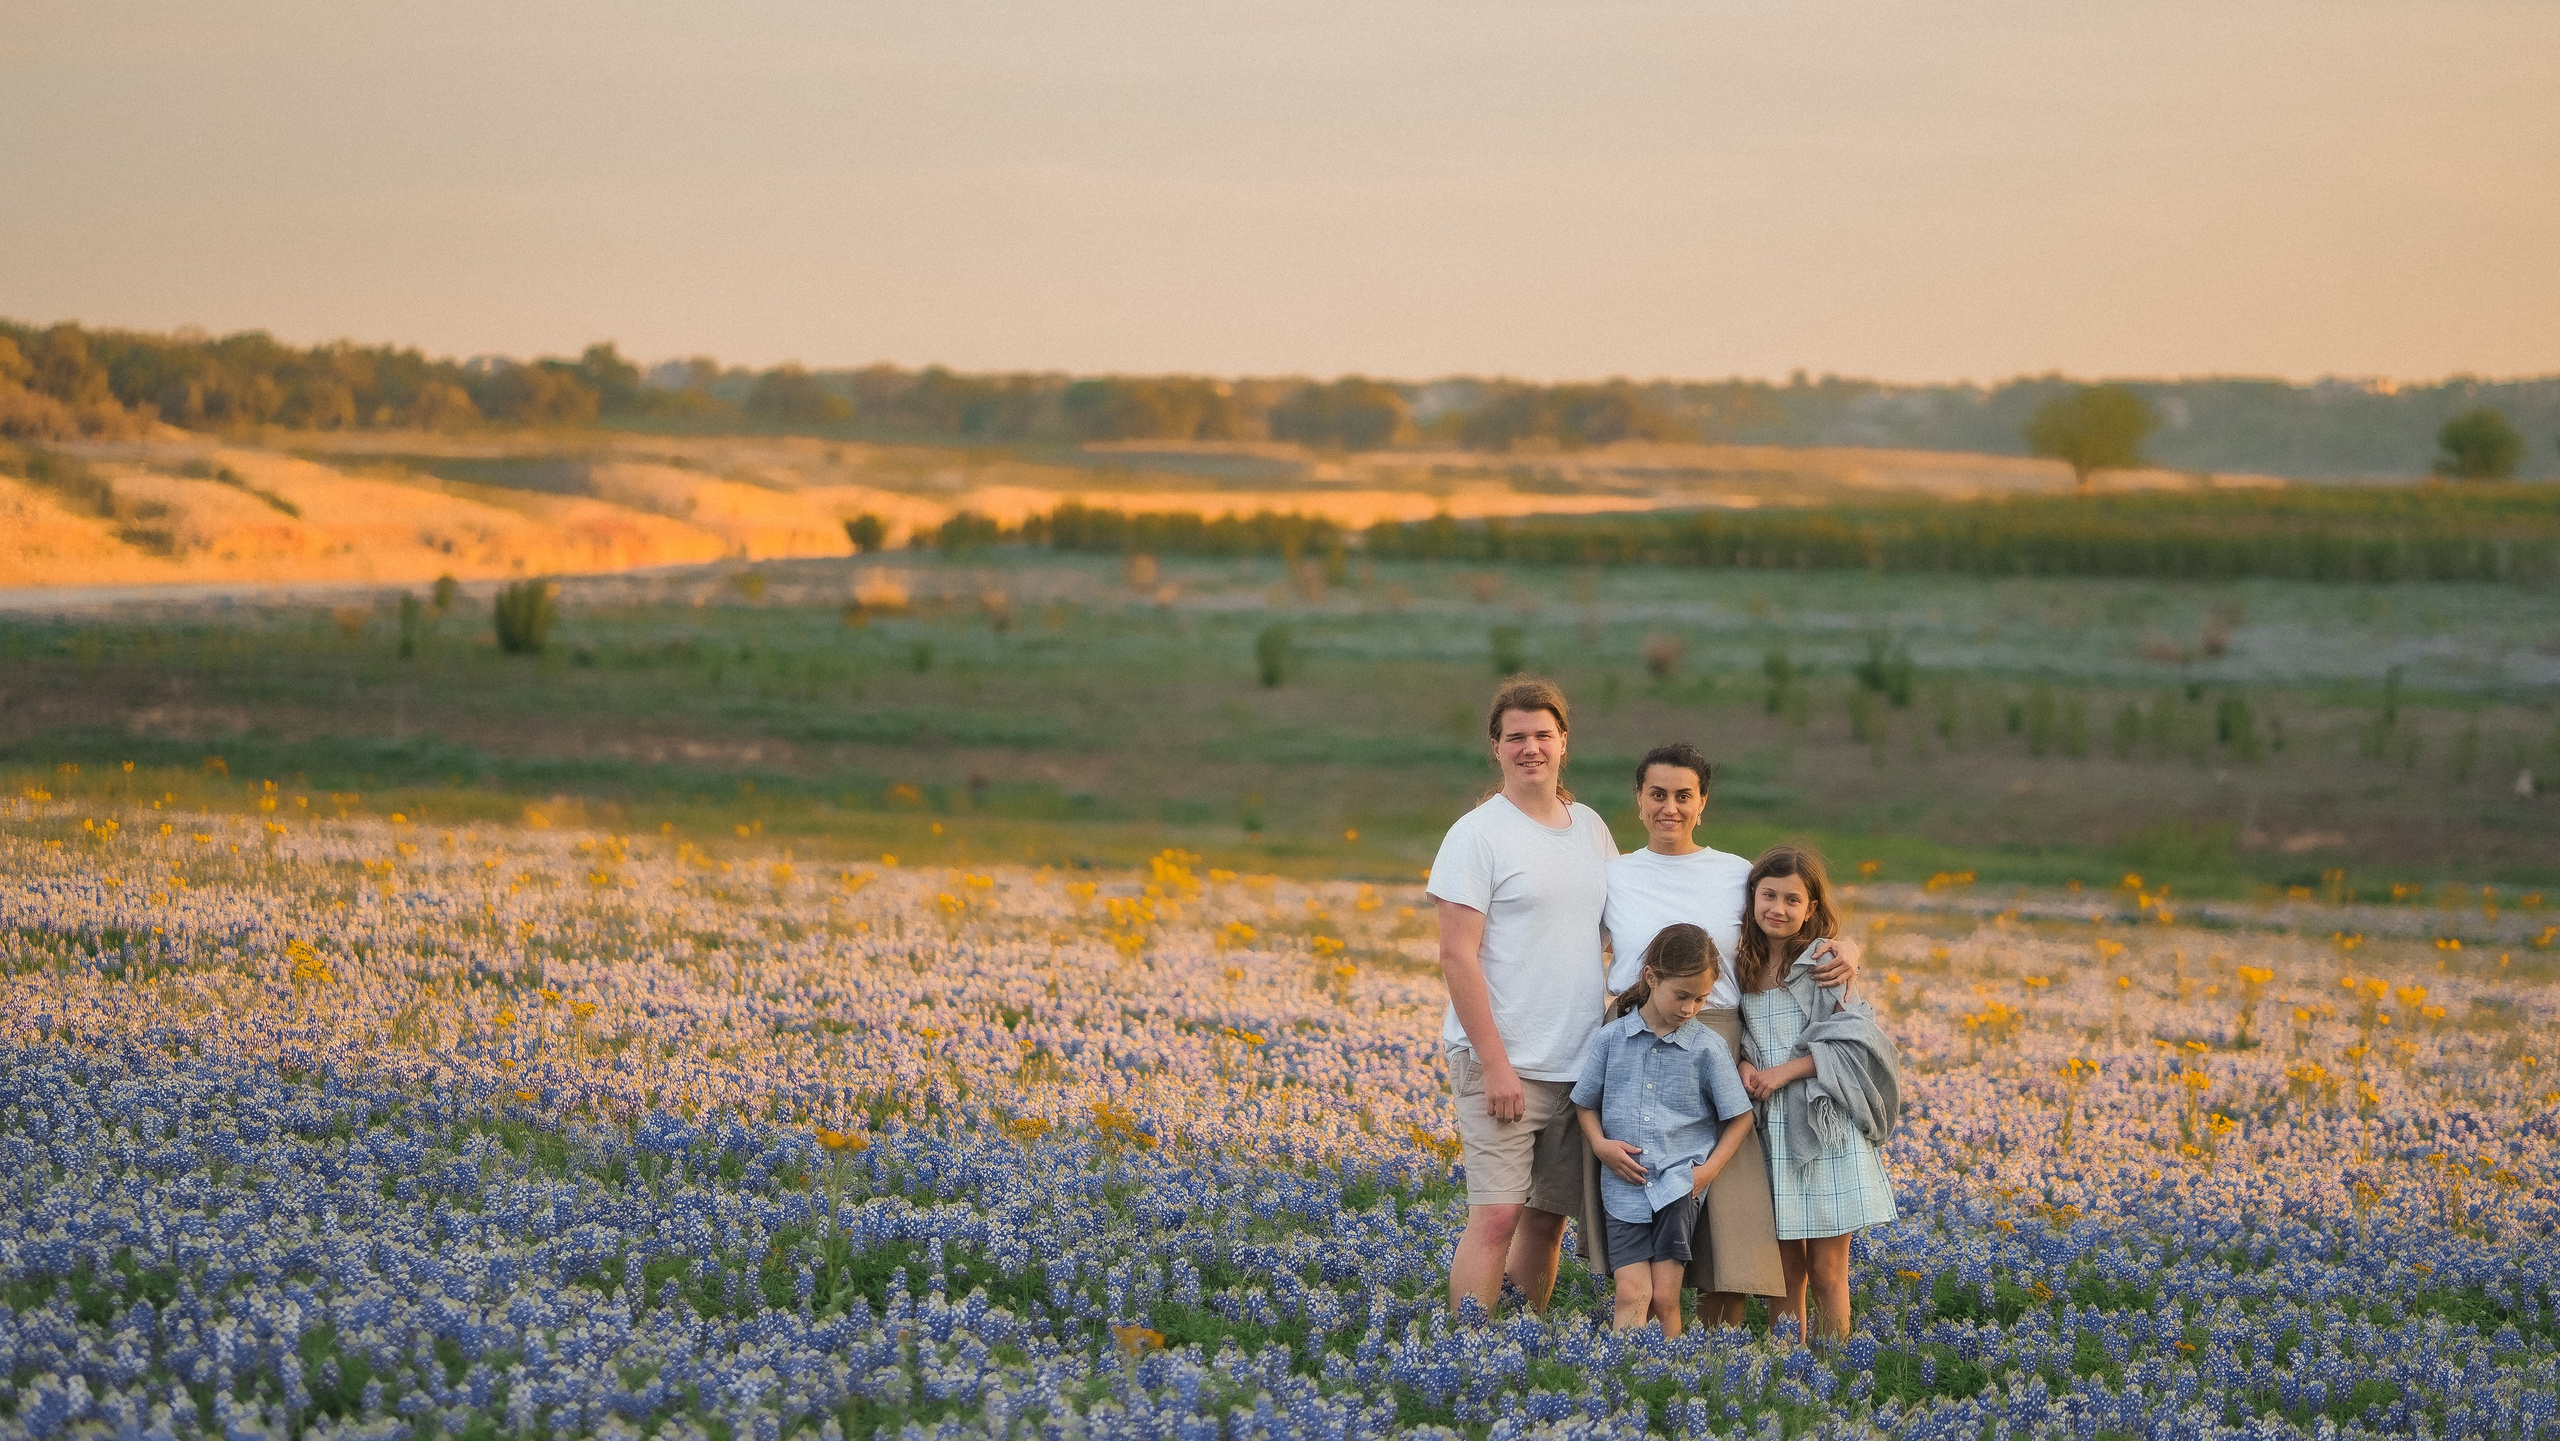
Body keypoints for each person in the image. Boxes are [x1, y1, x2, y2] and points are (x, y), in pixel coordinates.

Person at [1592, 743, 1861, 1327]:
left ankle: (1720, 1355)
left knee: (1729, 1210)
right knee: (1638, 1188)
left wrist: (1846, 947)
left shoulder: (1736, 872)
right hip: (1633, 1040)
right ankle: (1651, 1334)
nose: (1670, 807)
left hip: (1717, 1039)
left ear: (1702, 803)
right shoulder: (1612, 875)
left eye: (1683, 796)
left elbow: (1792, 923)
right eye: (1657, 794)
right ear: (1638, 801)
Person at [1431, 677, 1618, 1318]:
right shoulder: (1475, 835)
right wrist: (1496, 1065)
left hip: (1578, 1065)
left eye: (1543, 735)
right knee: (1497, 1214)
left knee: (1546, 1219)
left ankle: (1523, 1340)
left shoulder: (1591, 828)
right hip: (1503, 1062)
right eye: (1517, 737)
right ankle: (1470, 1350)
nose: (1530, 748)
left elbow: (1629, 931)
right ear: (1496, 748)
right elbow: (1457, 954)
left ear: (1564, 742)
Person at [1734, 843, 1902, 1344]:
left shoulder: (1824, 964)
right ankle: (1793, 1366)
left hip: (1823, 1125)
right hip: (1770, 1131)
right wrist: (1745, 1064)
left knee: (1828, 1268)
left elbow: (1854, 1043)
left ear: (1811, 909)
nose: (1778, 909)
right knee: (1784, 1265)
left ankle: (1836, 1363)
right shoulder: (1742, 964)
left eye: (1792, 900)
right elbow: (1739, 1035)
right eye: (1768, 896)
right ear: (1752, 898)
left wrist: (1786, 1072)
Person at [1571, 924, 1756, 1336]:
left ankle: (1667, 1374)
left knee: (1664, 1297)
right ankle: (1624, 1376)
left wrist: (1706, 1172)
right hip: (1624, 1187)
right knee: (1631, 1293)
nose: (1690, 1007)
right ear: (1652, 978)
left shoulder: (1708, 1047)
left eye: (1701, 998)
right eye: (1682, 995)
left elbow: (1740, 1117)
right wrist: (1600, 1146)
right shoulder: (1612, 1039)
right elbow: (1585, 1102)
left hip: (1677, 1186)